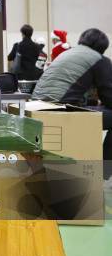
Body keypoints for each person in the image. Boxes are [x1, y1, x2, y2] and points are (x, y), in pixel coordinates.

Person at [33, 28, 112, 178]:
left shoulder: (68, 53)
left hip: (37, 106)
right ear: (103, 47)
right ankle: (104, 171)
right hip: (61, 109)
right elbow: (109, 96)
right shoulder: (100, 60)